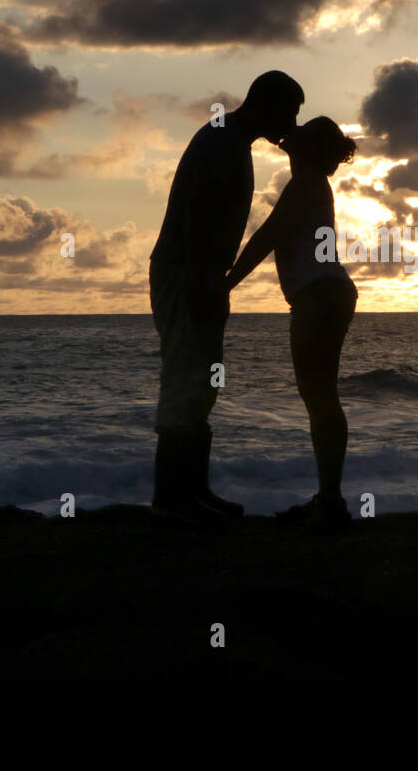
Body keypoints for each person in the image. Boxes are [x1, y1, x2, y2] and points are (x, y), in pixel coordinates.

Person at [150, 71, 304, 524]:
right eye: (290, 113)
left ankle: (192, 490)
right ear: (268, 104)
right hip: (189, 271)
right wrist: (205, 283)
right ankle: (173, 497)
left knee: (199, 381)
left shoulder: (231, 140)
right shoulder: (222, 141)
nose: (292, 125)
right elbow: (200, 213)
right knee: (187, 377)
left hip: (198, 271)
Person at [226, 117, 359, 533]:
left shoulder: (306, 185)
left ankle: (331, 503)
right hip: (322, 294)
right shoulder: (311, 184)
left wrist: (225, 284)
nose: (291, 132)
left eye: (300, 133)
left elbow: (267, 236)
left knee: (320, 397)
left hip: (320, 296)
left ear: (309, 148)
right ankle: (328, 499)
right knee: (320, 397)